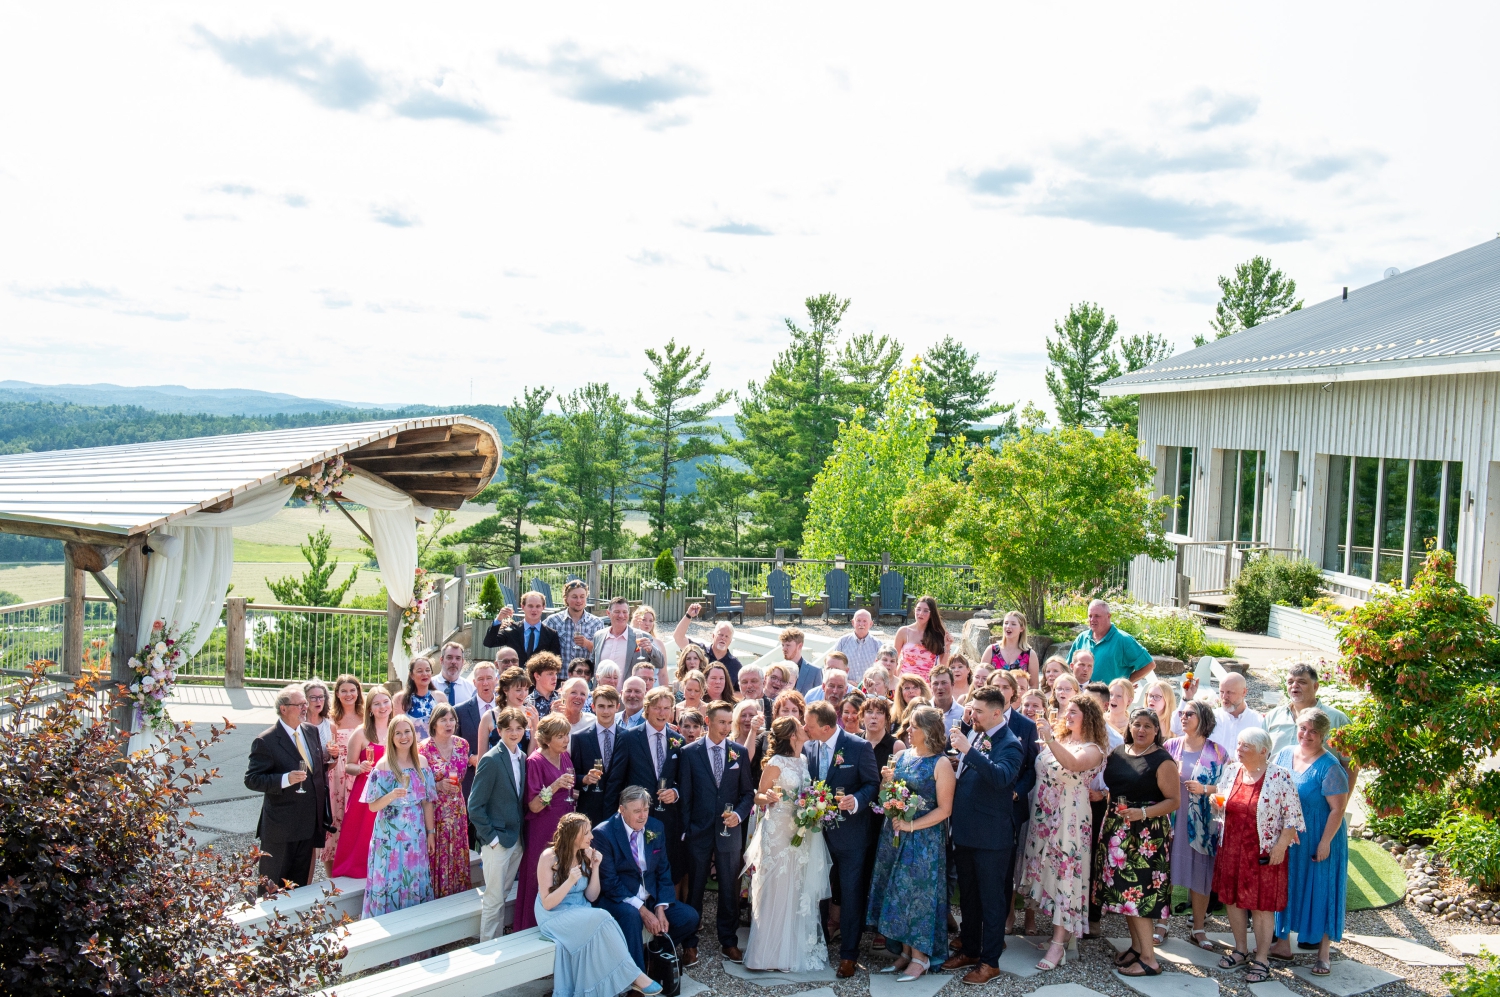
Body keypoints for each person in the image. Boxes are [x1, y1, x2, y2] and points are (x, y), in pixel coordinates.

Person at [866, 705, 955, 981]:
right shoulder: (902, 755)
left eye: (914, 726)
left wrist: (911, 824)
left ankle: (921, 957)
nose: (908, 730)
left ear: (929, 731)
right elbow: (885, 794)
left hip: (924, 839)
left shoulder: (940, 763)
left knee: (919, 897)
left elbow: (945, 810)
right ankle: (904, 953)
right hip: (894, 834)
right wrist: (886, 783)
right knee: (897, 893)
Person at [943, 686, 1024, 985]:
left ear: (996, 713)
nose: (970, 714)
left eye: (977, 711)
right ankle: (971, 948)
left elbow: (1002, 778)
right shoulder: (978, 734)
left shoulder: (1010, 743)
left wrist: (968, 751)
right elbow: (973, 771)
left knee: (991, 902)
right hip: (965, 831)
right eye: (971, 709)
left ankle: (990, 962)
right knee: (969, 898)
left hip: (991, 837)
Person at [535, 812, 663, 997]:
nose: (591, 837)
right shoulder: (549, 857)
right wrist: (569, 881)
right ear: (574, 836)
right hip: (554, 914)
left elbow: (591, 896)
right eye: (587, 833)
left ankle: (624, 979)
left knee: (602, 920)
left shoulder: (583, 855)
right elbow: (547, 903)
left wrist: (595, 867)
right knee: (603, 916)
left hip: (580, 910)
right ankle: (634, 975)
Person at [1022, 697, 1108, 971]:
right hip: (1044, 815)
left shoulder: (1093, 749)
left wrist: (1049, 739)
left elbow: (1071, 764)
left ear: (1089, 717)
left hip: (1069, 818)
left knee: (1065, 875)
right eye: (1066, 710)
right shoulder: (1062, 740)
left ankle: (1060, 942)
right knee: (1047, 870)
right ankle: (1057, 934)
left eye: (1074, 711)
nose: (1067, 715)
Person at [1214, 727, 1306, 984]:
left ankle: (1262, 958)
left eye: (1246, 746)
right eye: (1239, 744)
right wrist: (1216, 804)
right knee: (1232, 900)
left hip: (1263, 851)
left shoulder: (1280, 776)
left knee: (1261, 905)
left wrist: (1280, 847)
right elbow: (1223, 800)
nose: (1239, 749)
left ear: (1263, 750)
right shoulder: (1232, 770)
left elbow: (1293, 817)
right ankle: (1240, 949)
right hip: (1231, 847)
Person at [742, 716, 834, 972]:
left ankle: (790, 951)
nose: (805, 728)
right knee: (776, 888)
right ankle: (766, 955)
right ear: (792, 735)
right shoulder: (776, 762)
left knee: (796, 887)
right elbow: (758, 797)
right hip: (778, 832)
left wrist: (815, 806)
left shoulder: (803, 760)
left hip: (800, 832)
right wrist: (767, 796)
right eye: (800, 726)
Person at [1094, 707, 1179, 978]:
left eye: (1148, 726)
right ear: (1129, 727)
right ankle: (1137, 947)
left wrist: (1141, 813)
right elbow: (1115, 789)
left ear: (1157, 731)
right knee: (1125, 895)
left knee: (1139, 895)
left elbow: (1173, 801)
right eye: (1137, 724)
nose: (1141, 730)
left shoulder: (1162, 760)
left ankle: (1149, 960)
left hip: (1146, 837)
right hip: (1117, 829)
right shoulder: (1119, 753)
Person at [802, 700, 880, 977]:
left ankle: (849, 954)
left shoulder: (859, 747)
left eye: (809, 725)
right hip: (816, 834)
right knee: (818, 890)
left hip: (851, 835)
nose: (804, 729)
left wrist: (856, 800)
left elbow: (873, 783)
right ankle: (819, 943)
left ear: (825, 727)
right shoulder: (809, 746)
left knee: (850, 894)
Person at [1270, 708, 1349, 975]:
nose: (1307, 735)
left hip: (1320, 835)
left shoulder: (1331, 766)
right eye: (1303, 728)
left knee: (1321, 889)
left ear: (1324, 735)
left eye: (1314, 731)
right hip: (1290, 836)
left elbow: (1338, 809)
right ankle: (1282, 944)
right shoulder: (1283, 755)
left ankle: (1323, 954)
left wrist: (1325, 842)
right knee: (1287, 884)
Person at [678, 701, 755, 965]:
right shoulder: (689, 753)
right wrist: (687, 829)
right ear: (708, 722)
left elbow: (747, 793)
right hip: (698, 832)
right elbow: (685, 796)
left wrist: (739, 815)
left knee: (728, 889)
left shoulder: (739, 752)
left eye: (728, 722)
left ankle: (729, 941)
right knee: (695, 888)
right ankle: (689, 943)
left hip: (729, 831)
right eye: (721, 722)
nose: (725, 727)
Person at [593, 786, 701, 973]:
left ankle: (654, 956)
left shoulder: (655, 827)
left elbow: (664, 871)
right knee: (632, 916)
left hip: (651, 898)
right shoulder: (603, 834)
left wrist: (660, 907)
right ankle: (636, 980)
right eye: (637, 811)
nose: (643, 816)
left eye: (645, 810)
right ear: (621, 809)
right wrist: (643, 910)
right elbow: (610, 883)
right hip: (619, 899)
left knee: (689, 917)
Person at [245, 683, 333, 892]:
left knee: (299, 885)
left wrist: (330, 760)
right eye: (300, 704)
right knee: (271, 885)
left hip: (308, 822)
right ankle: (268, 924)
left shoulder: (310, 731)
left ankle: (298, 924)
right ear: (283, 708)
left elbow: (315, 770)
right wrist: (285, 779)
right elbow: (252, 779)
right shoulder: (266, 740)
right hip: (281, 827)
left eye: (305, 703)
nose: (305, 708)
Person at [1165, 699, 1229, 949]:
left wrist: (1205, 789)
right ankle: (1162, 923)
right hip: (1172, 816)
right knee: (1166, 869)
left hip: (1203, 822)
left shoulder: (1219, 752)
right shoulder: (1170, 745)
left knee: (1201, 872)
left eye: (1189, 713)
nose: (1183, 716)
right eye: (1181, 713)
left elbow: (1231, 785)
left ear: (1204, 718)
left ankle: (1199, 928)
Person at [603, 688, 685, 880]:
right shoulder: (628, 738)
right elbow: (615, 781)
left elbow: (684, 781)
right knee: (636, 867)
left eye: (667, 708)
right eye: (657, 708)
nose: (662, 713)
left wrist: (675, 792)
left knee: (663, 868)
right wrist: (610, 820)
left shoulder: (678, 741)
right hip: (635, 818)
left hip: (667, 820)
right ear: (647, 709)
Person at [362, 715, 437, 917]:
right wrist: (391, 795)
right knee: (390, 880)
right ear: (391, 737)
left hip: (416, 834)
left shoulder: (422, 763)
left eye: (407, 732)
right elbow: (372, 806)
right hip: (388, 837)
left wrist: (431, 833)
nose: (403, 737)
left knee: (413, 877)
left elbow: (427, 801)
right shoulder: (382, 766)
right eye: (398, 733)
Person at [469, 706, 530, 941]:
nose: (514, 733)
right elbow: (474, 805)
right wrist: (491, 839)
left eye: (519, 729)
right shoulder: (491, 759)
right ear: (499, 730)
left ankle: (498, 944)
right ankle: (487, 948)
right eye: (508, 729)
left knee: (503, 894)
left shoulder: (522, 757)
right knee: (493, 898)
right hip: (497, 841)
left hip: (516, 839)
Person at [514, 714, 578, 930]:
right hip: (543, 827)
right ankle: (532, 925)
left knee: (561, 872)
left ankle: (557, 924)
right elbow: (533, 805)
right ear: (546, 738)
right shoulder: (535, 761)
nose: (565, 740)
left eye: (567, 735)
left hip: (565, 826)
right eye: (560, 736)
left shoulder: (565, 756)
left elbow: (570, 790)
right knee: (540, 874)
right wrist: (556, 785)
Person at [988, 671, 1039, 938]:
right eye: (994, 685)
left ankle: (1009, 914)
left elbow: (1031, 768)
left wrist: (1018, 792)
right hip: (983, 806)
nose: (1000, 689)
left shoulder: (1025, 726)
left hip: (1011, 805)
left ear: (1013, 692)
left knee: (1008, 863)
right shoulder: (979, 721)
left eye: (1005, 686)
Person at [330, 687, 392, 878]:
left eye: (385, 702)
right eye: (377, 703)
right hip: (367, 791)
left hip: (391, 790)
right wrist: (361, 768)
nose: (382, 707)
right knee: (362, 835)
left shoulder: (398, 728)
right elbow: (349, 765)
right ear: (370, 708)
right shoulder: (361, 733)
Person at [420, 703, 472, 898]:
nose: (448, 724)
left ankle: (457, 894)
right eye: (443, 720)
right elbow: (420, 784)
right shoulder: (423, 749)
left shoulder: (462, 744)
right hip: (434, 808)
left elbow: (462, 775)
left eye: (452, 719)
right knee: (436, 851)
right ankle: (435, 895)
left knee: (456, 850)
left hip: (457, 807)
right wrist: (438, 786)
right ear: (434, 723)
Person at [1265, 663, 1352, 762]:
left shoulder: (1337, 719)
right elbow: (1259, 753)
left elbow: (1349, 764)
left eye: (1301, 682)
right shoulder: (1273, 716)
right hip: (1275, 777)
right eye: (1290, 682)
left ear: (1315, 686)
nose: (1294, 685)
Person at [322, 673, 365, 875]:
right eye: (344, 691)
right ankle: (332, 873)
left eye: (352, 690)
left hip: (359, 771)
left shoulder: (367, 716)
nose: (349, 694)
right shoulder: (331, 719)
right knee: (335, 820)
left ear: (358, 692)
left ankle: (356, 864)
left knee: (356, 820)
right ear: (337, 694)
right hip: (337, 774)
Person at [571, 685, 624, 827]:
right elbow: (573, 776)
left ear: (617, 707)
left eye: (610, 706)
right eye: (601, 706)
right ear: (593, 707)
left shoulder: (627, 737)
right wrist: (585, 779)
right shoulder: (580, 738)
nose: (605, 711)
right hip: (589, 810)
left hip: (620, 810)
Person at [1068, 600, 1155, 685]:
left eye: (1097, 616)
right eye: (1090, 616)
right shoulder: (1082, 638)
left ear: (1108, 616)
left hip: (1110, 697)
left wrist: (1126, 684)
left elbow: (1149, 665)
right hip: (1082, 695)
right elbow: (1067, 666)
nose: (1092, 619)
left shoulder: (1123, 640)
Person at [672, 601, 744, 688]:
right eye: (720, 635)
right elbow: (678, 637)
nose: (723, 638)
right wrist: (688, 615)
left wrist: (725, 696)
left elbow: (741, 692)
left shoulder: (735, 664)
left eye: (726, 636)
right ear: (713, 636)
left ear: (730, 641)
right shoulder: (700, 651)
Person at [456, 662, 500, 800]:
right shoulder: (459, 711)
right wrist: (470, 758)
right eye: (480, 679)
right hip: (471, 779)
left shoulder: (505, 709)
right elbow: (454, 743)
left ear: (496, 680)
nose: (485, 683)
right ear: (474, 682)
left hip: (500, 778)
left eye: (489, 678)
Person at [477, 662, 539, 754]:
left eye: (526, 689)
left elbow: (532, 757)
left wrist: (535, 726)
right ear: (505, 690)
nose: (523, 694)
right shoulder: (489, 716)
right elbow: (482, 760)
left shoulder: (531, 714)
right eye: (518, 690)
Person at [487, 590, 565, 662]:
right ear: (523, 607)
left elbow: (555, 661)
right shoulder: (512, 629)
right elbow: (489, 642)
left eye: (538, 606)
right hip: (515, 674)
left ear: (543, 607)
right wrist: (499, 619)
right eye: (530, 606)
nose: (534, 610)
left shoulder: (551, 634)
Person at [592, 596, 665, 673]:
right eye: (617, 612)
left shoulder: (643, 637)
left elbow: (660, 664)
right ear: (608, 613)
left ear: (628, 613)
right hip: (602, 685)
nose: (621, 615)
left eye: (624, 612)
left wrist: (651, 650)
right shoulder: (599, 636)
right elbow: (593, 664)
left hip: (627, 685)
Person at [543, 580, 608, 658]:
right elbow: (542, 649)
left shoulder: (596, 623)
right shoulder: (553, 621)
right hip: (562, 670)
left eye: (582, 597)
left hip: (585, 669)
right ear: (566, 598)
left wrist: (587, 644)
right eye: (574, 597)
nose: (579, 600)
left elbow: (603, 653)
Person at [894, 596, 951, 682]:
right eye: (918, 609)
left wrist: (947, 647)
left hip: (926, 685)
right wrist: (894, 680)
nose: (921, 613)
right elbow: (893, 659)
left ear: (932, 614)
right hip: (905, 682)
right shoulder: (903, 632)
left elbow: (943, 667)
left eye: (925, 611)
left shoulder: (937, 634)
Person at [1211, 672, 1264, 756]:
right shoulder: (1211, 717)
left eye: (1229, 692)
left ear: (1244, 692)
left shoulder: (1258, 722)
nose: (1224, 697)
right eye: (1221, 692)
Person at [395, 655, 448, 739]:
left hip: (435, 747)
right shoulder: (400, 698)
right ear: (412, 675)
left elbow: (447, 725)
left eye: (427, 670)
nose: (425, 674)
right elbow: (396, 728)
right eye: (420, 671)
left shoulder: (440, 697)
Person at [982, 610, 1037, 689]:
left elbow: (1033, 685)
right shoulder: (991, 650)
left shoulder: (1030, 654)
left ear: (1021, 628)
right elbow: (981, 679)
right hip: (994, 698)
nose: (1008, 626)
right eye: (1006, 623)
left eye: (1013, 624)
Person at [834, 609, 883, 685]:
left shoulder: (878, 644)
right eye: (858, 620)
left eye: (864, 621)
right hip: (845, 685)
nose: (861, 624)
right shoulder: (842, 642)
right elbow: (834, 666)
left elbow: (881, 670)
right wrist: (846, 681)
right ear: (853, 622)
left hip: (869, 688)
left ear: (871, 624)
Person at [778, 628, 822, 695]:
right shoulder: (777, 669)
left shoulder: (815, 671)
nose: (784, 649)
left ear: (800, 646)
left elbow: (819, 697)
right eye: (783, 645)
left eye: (788, 645)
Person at [433, 641, 477, 706]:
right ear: (441, 660)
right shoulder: (429, 686)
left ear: (462, 662)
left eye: (458, 658)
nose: (453, 662)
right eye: (449, 657)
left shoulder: (471, 689)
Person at [526, 651, 563, 718]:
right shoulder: (528, 702)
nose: (555, 678)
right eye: (550, 674)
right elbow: (529, 727)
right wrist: (552, 715)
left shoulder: (561, 699)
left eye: (556, 674)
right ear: (537, 676)